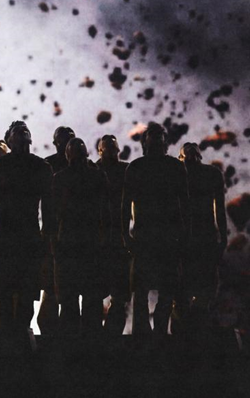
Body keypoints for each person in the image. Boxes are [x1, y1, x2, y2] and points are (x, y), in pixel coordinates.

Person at [0, 121, 53, 335]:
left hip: (28, 238)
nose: (22, 131)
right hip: (7, 238)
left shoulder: (41, 167)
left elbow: (48, 208)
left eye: (25, 130)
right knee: (4, 296)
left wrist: (45, 238)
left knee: (26, 296)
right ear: (9, 140)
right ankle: (6, 341)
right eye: (17, 130)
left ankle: (19, 338)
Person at [122, 122, 187, 336]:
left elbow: (185, 204)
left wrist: (184, 234)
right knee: (141, 288)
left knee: (167, 288)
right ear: (145, 142)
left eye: (159, 138)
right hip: (145, 236)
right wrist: (126, 235)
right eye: (153, 137)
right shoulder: (136, 167)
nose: (157, 141)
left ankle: (158, 330)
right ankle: (144, 332)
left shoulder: (175, 167)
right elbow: (125, 205)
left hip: (167, 236)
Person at [51, 138, 108, 335]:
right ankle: (90, 345)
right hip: (90, 243)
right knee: (90, 303)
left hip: (70, 244)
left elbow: (53, 215)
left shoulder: (60, 179)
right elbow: (106, 212)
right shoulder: (97, 177)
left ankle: (71, 346)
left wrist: (54, 243)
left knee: (70, 304)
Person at [178, 142, 227, 331]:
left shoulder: (179, 174)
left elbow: (219, 208)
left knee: (190, 285)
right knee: (198, 285)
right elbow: (219, 209)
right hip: (197, 236)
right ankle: (194, 326)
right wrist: (222, 237)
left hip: (194, 236)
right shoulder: (211, 174)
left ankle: (189, 327)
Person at [39, 126, 74, 335]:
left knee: (63, 284)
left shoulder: (48, 165)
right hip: (56, 230)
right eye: (63, 140)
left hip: (70, 231)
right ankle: (50, 329)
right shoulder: (48, 166)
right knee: (52, 284)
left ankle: (59, 330)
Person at [96, 135, 131, 336]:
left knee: (117, 294)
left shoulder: (125, 171)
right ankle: (106, 336)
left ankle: (108, 336)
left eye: (113, 149)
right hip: (106, 239)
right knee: (98, 293)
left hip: (117, 238)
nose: (112, 153)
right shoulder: (93, 171)